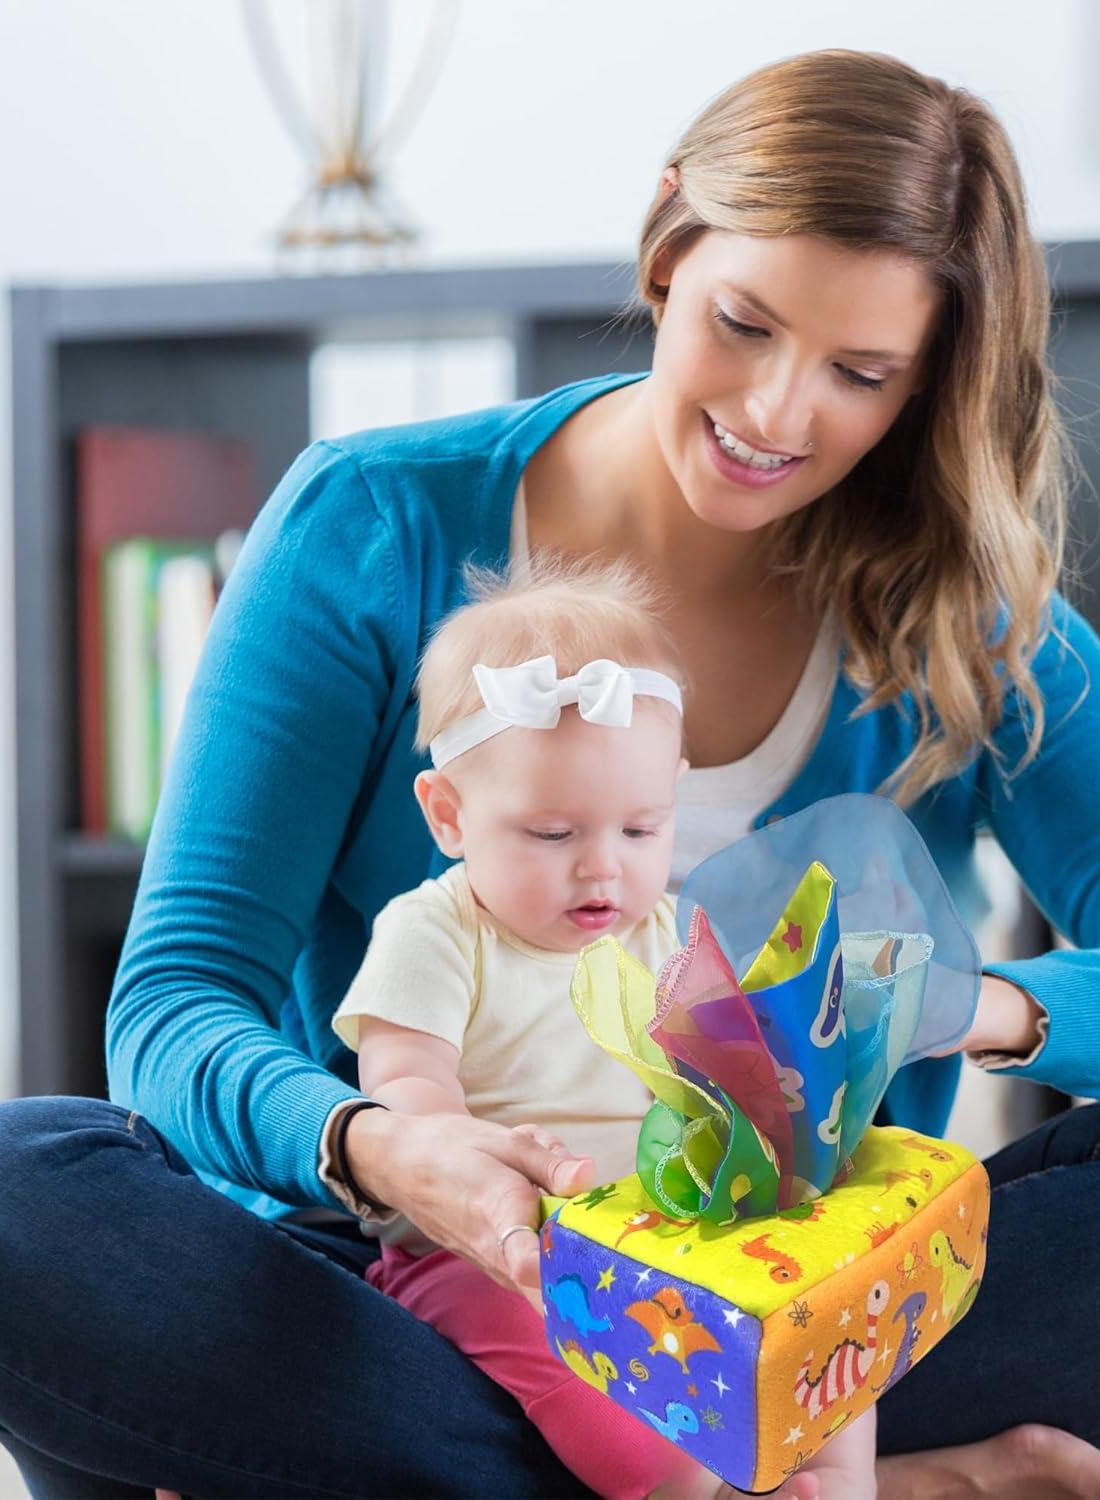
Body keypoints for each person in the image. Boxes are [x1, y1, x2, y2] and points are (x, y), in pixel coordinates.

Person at [0, 48, 1100, 1500]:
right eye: (744, 324)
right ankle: (877, 1487)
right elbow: (177, 997)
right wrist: (383, 1148)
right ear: (665, 242)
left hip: (795, 1293)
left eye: (861, 373)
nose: (775, 410)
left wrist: (979, 1008)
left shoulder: (962, 613)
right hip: (419, 1283)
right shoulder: (373, 526)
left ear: (931, 382)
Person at [332, 557, 877, 1500]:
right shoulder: (434, 932)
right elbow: (409, 1096)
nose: (603, 874)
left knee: (832, 1346)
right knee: (645, 1444)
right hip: (500, 1260)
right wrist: (485, 1163)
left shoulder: (663, 930)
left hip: (668, 1236)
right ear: (450, 814)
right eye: (554, 835)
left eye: (640, 830)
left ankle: (829, 1484)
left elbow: (728, 1081)